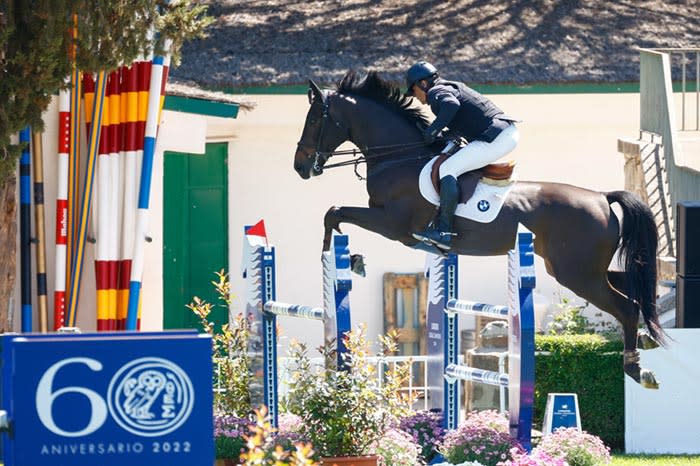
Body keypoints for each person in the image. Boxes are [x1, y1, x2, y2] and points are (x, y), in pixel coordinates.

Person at [405, 61, 520, 250]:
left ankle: (443, 232)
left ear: (423, 84)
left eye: (413, 90)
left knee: (447, 168)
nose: (415, 97)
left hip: (498, 137)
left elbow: (451, 105)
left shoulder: (436, 92)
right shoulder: (448, 86)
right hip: (502, 133)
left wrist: (432, 131)